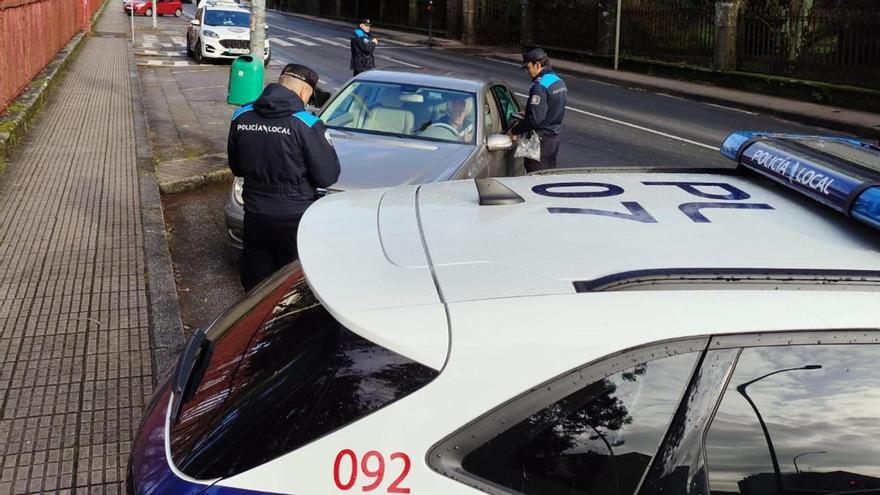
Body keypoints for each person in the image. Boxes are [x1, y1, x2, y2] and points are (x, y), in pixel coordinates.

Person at [227, 64, 341, 291]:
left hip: (255, 213)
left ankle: (253, 322)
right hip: (294, 218)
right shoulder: (307, 124)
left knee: (256, 283)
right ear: (303, 93)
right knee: (290, 283)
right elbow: (327, 176)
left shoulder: (241, 115)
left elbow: (237, 167)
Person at [511, 48, 567, 172]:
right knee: (548, 176)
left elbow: (535, 120)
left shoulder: (539, 87)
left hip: (540, 143)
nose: (527, 72)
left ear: (537, 65)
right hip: (554, 139)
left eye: (528, 67)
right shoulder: (558, 82)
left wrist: (515, 130)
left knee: (534, 178)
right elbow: (552, 110)